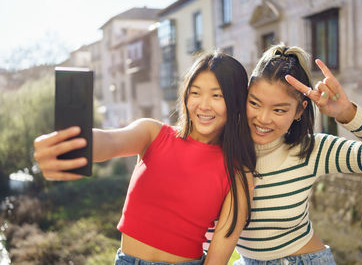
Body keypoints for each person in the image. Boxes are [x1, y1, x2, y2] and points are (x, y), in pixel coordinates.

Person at [33, 52, 257, 265]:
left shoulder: (238, 171)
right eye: (195, 92)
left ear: (235, 102)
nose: (203, 104)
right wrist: (72, 145)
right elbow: (110, 142)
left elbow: (219, 256)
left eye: (217, 95)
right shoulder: (153, 133)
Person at [232, 44, 362, 264]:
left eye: (279, 110)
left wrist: (347, 114)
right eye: (254, 103)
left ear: (299, 111)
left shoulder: (313, 149)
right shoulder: (228, 150)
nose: (263, 118)